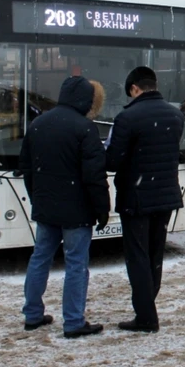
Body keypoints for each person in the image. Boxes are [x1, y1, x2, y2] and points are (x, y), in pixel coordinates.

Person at [19, 75, 110, 339]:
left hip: (46, 206)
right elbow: (94, 175)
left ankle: (33, 314)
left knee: (40, 258)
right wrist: (102, 209)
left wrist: (37, 196)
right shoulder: (85, 128)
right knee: (76, 264)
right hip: (76, 210)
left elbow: (26, 166)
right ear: (85, 100)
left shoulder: (38, 124)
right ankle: (73, 321)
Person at [106, 66, 185, 333]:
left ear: (133, 89)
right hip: (166, 196)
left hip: (137, 198)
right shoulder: (175, 115)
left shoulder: (127, 117)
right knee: (155, 254)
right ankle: (148, 304)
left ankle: (146, 317)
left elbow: (113, 161)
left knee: (137, 255)